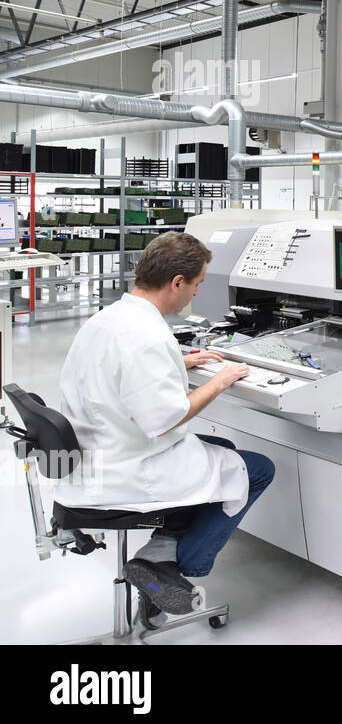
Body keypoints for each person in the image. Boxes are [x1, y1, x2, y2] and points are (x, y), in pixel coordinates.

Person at [57, 231, 273, 616]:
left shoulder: (110, 318)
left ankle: (160, 548)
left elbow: (122, 369)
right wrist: (220, 381)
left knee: (222, 451)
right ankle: (171, 566)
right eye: (197, 285)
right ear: (177, 282)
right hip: (128, 469)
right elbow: (166, 418)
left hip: (96, 453)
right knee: (258, 469)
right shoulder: (148, 337)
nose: (195, 294)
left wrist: (180, 361)